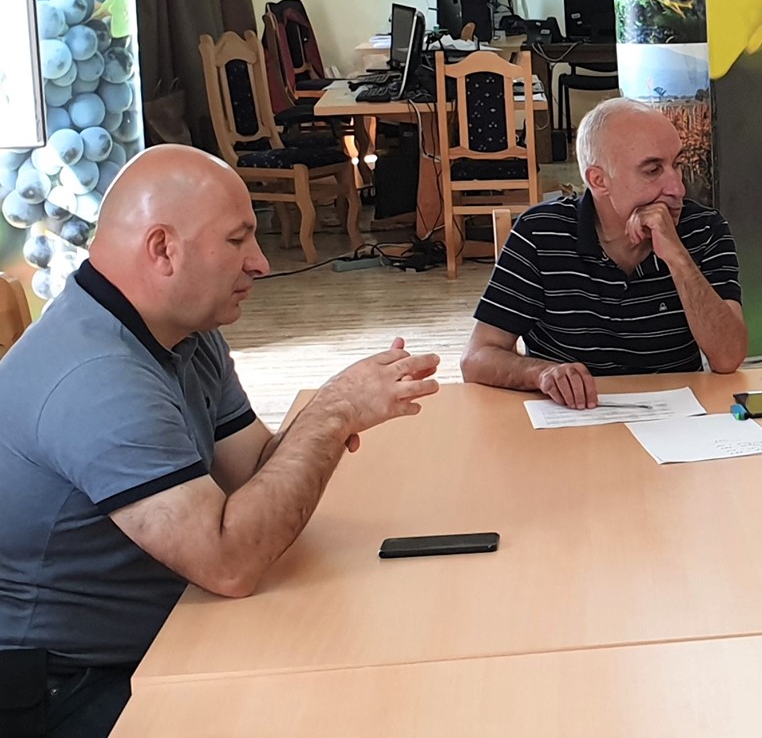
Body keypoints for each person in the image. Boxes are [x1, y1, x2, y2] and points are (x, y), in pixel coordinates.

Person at [0, 146, 439, 738]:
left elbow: (251, 470)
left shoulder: (181, 329)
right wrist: (331, 414)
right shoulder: (97, 377)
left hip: (165, 625)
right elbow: (230, 562)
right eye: (237, 241)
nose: (260, 262)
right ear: (163, 249)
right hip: (64, 685)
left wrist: (329, 422)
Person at [462, 99, 746, 408]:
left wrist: (677, 258)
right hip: (570, 418)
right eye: (653, 170)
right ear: (599, 181)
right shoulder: (540, 232)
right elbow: (477, 357)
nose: (677, 188)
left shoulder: (705, 228)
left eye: (677, 164)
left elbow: (728, 357)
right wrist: (541, 373)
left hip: (676, 417)